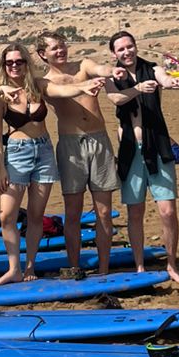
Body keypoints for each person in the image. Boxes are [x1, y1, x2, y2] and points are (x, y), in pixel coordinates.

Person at [0, 42, 104, 285]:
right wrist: (1, 168)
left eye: (19, 61)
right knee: (6, 215)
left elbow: (62, 91)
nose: (14, 66)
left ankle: (29, 264)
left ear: (27, 63)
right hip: (16, 155)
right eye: (9, 62)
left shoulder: (38, 86)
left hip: (43, 151)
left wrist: (86, 85)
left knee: (36, 215)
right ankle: (13, 268)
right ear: (3, 66)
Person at [35, 29, 121, 277]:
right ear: (43, 54)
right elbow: (61, 92)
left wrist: (111, 71)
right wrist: (84, 87)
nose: (60, 50)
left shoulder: (83, 65)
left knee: (104, 211)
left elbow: (99, 68)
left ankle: (104, 267)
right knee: (73, 212)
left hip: (99, 140)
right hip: (71, 145)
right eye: (54, 48)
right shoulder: (45, 82)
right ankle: (74, 266)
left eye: (62, 45)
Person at [109, 31, 179, 284]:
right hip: (131, 151)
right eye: (121, 49)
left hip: (158, 147)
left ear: (135, 46)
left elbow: (163, 78)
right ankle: (140, 265)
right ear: (114, 53)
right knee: (135, 211)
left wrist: (173, 82)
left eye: (129, 46)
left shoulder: (151, 68)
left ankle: (172, 264)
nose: (126, 52)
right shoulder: (113, 76)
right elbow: (116, 98)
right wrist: (137, 89)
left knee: (167, 210)